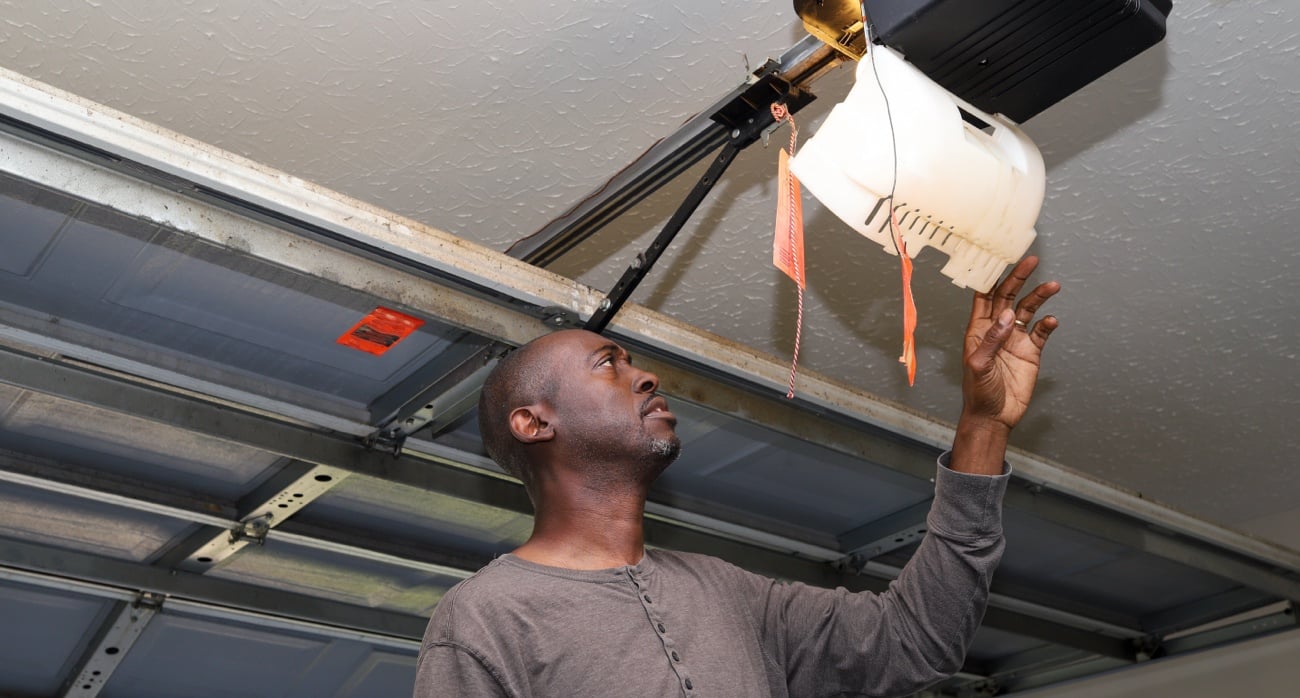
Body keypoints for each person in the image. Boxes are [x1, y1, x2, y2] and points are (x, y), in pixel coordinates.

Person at [415, 257, 1060, 697]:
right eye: (607, 364)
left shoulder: (729, 592)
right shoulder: (483, 619)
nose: (645, 376)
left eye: (633, 361)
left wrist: (984, 426)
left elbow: (917, 638)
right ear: (534, 423)